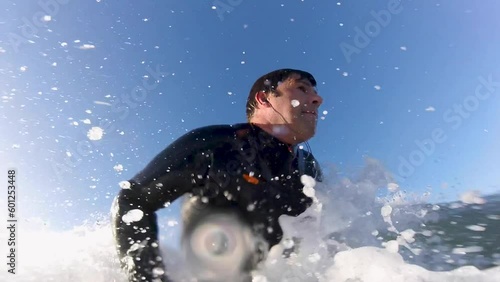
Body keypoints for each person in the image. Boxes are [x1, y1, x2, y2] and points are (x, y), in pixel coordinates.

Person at [111, 68, 324, 281]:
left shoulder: (308, 167)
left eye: (314, 92)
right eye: (302, 88)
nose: (317, 99)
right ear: (264, 98)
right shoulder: (216, 145)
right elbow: (132, 200)